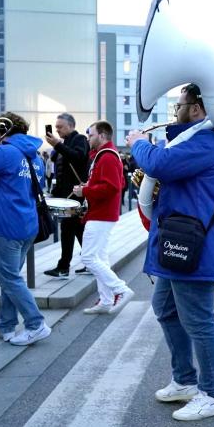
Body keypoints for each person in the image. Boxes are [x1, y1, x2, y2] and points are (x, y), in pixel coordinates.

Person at [126, 83, 214, 422]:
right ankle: (185, 379)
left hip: (194, 244)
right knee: (165, 308)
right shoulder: (203, 139)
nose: (176, 110)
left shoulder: (208, 141)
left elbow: (160, 164)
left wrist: (138, 143)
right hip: (181, 238)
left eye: (180, 104)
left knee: (199, 320)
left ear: (198, 110)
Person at [0, 112, 50, 346]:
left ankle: (36, 324)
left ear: (3, 131)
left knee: (10, 279)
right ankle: (7, 326)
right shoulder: (34, 156)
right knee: (11, 278)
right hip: (26, 224)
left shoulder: (4, 152)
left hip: (4, 224)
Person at [76, 121, 134, 315]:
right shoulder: (107, 155)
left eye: (91, 135)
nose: (88, 139)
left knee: (89, 257)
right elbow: (119, 182)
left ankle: (120, 289)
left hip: (101, 214)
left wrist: (85, 189)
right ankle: (106, 300)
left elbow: (113, 187)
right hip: (103, 213)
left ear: (101, 136)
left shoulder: (107, 156)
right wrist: (90, 186)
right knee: (99, 257)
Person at [44, 113, 90, 277]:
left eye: (60, 127)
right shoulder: (63, 143)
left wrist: (57, 145)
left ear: (71, 126)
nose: (57, 130)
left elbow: (79, 157)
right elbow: (61, 171)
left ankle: (66, 266)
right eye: (56, 127)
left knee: (72, 229)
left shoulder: (80, 139)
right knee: (74, 229)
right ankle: (88, 262)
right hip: (66, 197)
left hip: (75, 196)